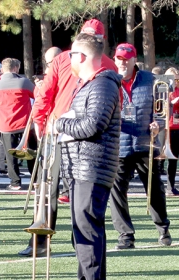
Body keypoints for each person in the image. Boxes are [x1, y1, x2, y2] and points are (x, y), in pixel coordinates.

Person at [22, 18, 118, 257]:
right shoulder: (63, 59)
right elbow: (46, 92)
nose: (91, 39)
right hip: (56, 132)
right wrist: (40, 123)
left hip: (81, 137)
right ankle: (41, 239)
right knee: (47, 187)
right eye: (87, 35)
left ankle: (82, 245)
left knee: (80, 200)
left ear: (101, 41)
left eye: (95, 37)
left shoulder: (107, 68)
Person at [55, 32, 121, 280]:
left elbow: (94, 124)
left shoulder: (102, 84)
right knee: (83, 232)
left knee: (87, 232)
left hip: (92, 166)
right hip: (83, 166)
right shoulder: (89, 84)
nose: (68, 59)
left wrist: (61, 125)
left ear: (80, 56)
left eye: (71, 54)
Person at [110, 42, 172, 250]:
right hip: (119, 145)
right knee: (117, 191)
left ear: (134, 60)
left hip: (147, 143)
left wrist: (159, 124)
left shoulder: (151, 80)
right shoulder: (109, 80)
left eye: (127, 59)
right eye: (119, 59)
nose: (123, 63)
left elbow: (163, 110)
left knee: (155, 190)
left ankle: (163, 228)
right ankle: (125, 235)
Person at [0, 58, 35, 191]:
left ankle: (15, 182)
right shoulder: (24, 82)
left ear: (2, 69)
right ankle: (35, 179)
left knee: (10, 155)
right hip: (25, 123)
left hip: (6, 124)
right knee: (31, 152)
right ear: (16, 68)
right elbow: (36, 96)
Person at [157, 67, 179, 196]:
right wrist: (171, 102)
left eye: (177, 79)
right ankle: (156, 187)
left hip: (177, 127)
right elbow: (158, 108)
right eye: (172, 79)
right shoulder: (162, 91)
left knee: (173, 158)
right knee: (159, 158)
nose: (175, 82)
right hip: (165, 127)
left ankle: (171, 187)